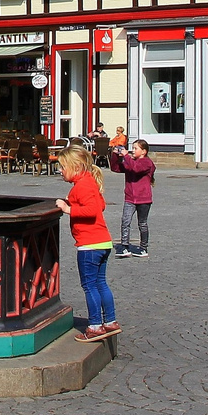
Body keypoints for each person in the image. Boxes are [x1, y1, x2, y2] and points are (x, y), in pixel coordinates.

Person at [53, 146, 118, 341]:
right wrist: (73, 202)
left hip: (89, 245)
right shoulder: (89, 182)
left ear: (76, 166)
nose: (60, 171)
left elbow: (91, 211)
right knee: (101, 284)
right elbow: (102, 205)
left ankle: (95, 326)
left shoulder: (81, 186)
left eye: (63, 167)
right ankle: (110, 321)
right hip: (103, 242)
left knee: (89, 286)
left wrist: (68, 209)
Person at [117, 139, 155, 257]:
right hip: (130, 197)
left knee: (142, 223)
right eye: (132, 148)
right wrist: (116, 156)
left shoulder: (147, 162)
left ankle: (143, 248)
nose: (132, 151)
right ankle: (124, 246)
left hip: (143, 198)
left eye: (135, 148)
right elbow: (116, 168)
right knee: (125, 221)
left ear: (143, 151)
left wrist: (126, 157)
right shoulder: (130, 161)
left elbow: (136, 169)